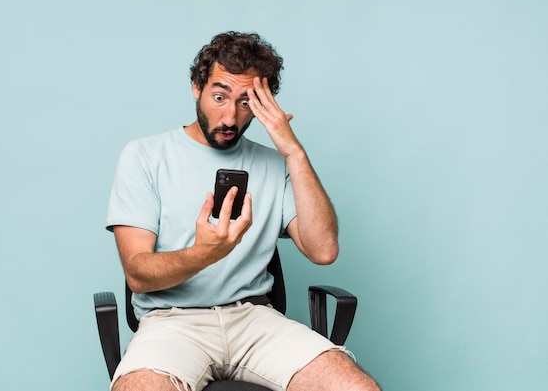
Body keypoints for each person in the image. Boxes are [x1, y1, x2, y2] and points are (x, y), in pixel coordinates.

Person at [106, 31, 380, 391]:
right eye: (219, 97)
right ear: (196, 88)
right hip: (171, 323)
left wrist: (293, 152)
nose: (230, 117)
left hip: (254, 320)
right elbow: (138, 274)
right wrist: (202, 254)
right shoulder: (144, 156)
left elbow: (323, 250)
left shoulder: (275, 164)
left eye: (246, 102)